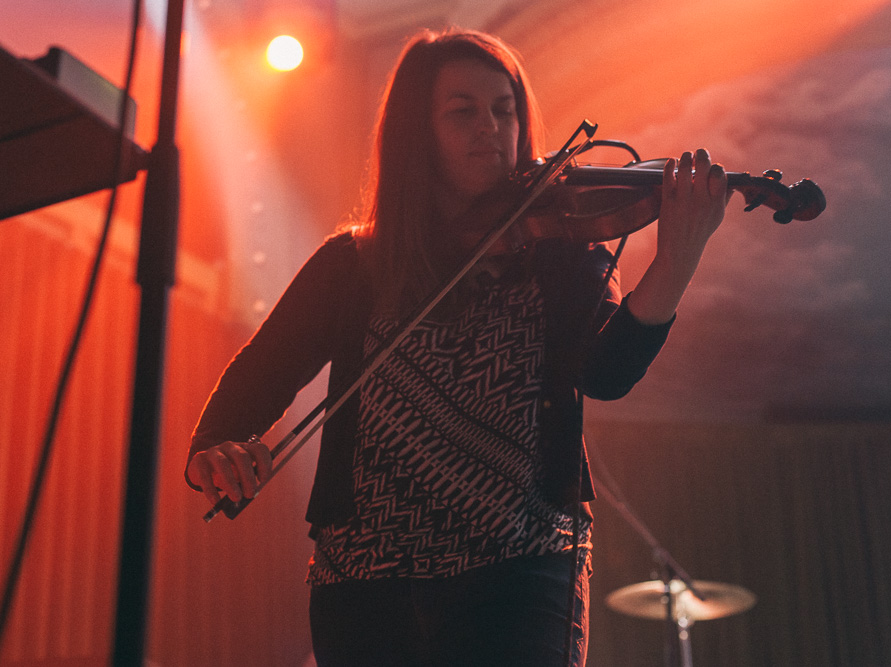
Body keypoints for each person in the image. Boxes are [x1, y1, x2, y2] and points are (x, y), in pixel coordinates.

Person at [185, 28, 730, 667]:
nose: (491, 128)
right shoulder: (353, 263)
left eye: (505, 110)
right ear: (419, 133)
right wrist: (210, 457)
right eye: (464, 110)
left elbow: (606, 373)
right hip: (366, 578)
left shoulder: (558, 252)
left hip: (522, 567)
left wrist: (678, 258)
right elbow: (252, 386)